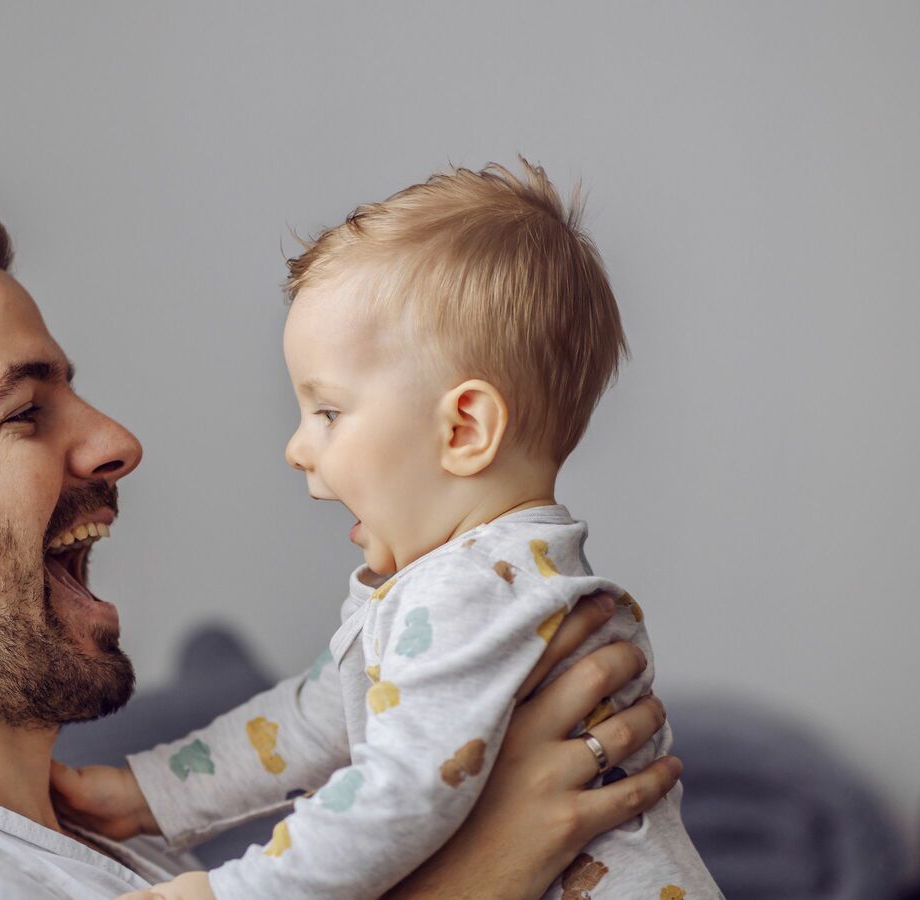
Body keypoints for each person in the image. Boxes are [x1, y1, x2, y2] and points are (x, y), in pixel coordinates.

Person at [0, 197, 683, 899]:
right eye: (24, 414)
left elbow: (313, 717)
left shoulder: (56, 838)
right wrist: (473, 874)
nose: (118, 441)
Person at [54, 161, 718, 899]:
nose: (297, 447)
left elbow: (397, 797)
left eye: (328, 412)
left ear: (464, 429)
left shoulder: (474, 590)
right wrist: (147, 795)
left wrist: (234, 892)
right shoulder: (465, 580)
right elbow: (312, 720)